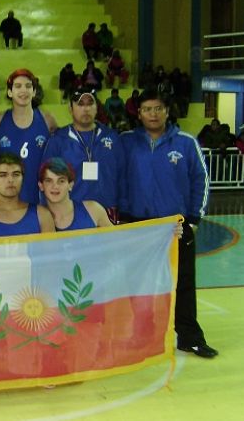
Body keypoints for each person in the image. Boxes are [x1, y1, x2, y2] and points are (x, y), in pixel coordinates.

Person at [119, 89, 218, 359]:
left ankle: (189, 337)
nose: (153, 114)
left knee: (183, 283)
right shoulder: (126, 142)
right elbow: (116, 177)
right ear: (138, 114)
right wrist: (123, 216)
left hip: (175, 226)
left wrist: (194, 219)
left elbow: (201, 179)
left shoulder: (185, 142)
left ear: (167, 111)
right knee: (140, 283)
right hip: (138, 226)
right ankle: (143, 335)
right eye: (148, 109)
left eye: (158, 108)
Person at [41, 87, 125, 220]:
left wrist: (123, 209)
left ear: (97, 107)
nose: (86, 109)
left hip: (108, 212)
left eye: (90, 103)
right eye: (80, 104)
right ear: (70, 108)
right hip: (70, 214)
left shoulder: (112, 137)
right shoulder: (58, 140)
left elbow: (122, 175)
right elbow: (46, 180)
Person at [0, 69, 57, 205]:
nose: (24, 90)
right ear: (10, 92)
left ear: (34, 92)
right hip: (6, 196)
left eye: (28, 86)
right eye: (18, 86)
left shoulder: (47, 120)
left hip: (38, 196)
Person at [0, 153, 55, 238]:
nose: (10, 180)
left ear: (22, 179)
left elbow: (51, 252)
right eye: (3, 175)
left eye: (16, 174)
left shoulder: (42, 215)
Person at [38, 157, 113, 230]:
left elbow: (116, 239)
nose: (55, 186)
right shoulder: (37, 219)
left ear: (70, 185)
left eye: (61, 181)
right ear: (41, 186)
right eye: (49, 181)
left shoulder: (93, 210)